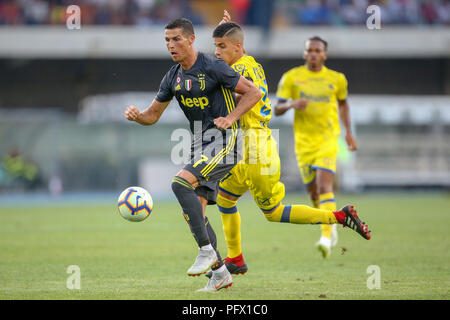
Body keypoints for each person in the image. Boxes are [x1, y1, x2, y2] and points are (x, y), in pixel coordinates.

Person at [206, 12, 370, 278]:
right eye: (215, 47)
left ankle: (339, 217)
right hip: (241, 148)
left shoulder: (240, 69)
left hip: (256, 149)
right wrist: (226, 28)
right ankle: (235, 257)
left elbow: (251, 94)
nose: (216, 52)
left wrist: (229, 117)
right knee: (225, 199)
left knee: (273, 212)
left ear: (238, 47)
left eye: (222, 46)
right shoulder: (247, 63)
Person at [124, 18, 262, 291]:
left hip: (225, 141)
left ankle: (205, 250)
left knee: (179, 182)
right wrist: (138, 116)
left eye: (176, 39)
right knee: (194, 214)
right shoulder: (172, 76)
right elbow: (152, 115)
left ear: (191, 39)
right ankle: (220, 272)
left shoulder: (213, 66)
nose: (171, 45)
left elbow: (253, 93)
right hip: (200, 145)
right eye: (167, 40)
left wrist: (230, 118)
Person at [274, 36, 358, 258]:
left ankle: (326, 237)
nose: (313, 53)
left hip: (328, 140)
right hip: (303, 143)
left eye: (317, 50)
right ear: (304, 54)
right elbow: (277, 108)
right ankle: (328, 221)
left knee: (324, 185)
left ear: (324, 55)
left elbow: (343, 105)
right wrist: (292, 104)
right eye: (309, 50)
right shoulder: (292, 77)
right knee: (313, 192)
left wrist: (348, 132)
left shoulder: (336, 79)